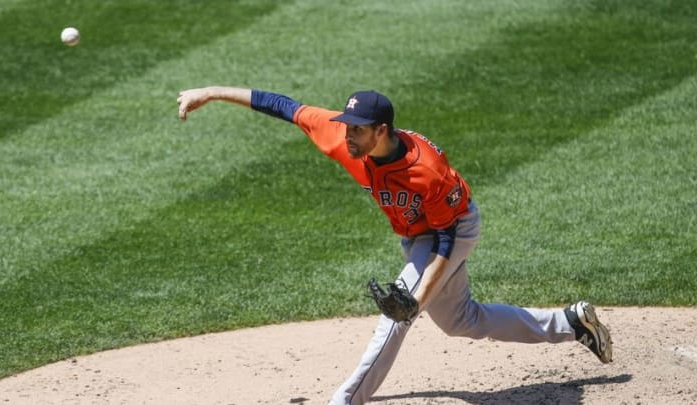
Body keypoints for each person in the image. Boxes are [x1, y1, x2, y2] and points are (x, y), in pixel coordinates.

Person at [177, 86, 613, 405]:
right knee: (463, 320)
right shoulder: (343, 137)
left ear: (381, 130)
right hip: (417, 234)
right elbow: (283, 106)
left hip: (452, 229)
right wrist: (211, 92)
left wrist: (415, 300)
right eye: (347, 126)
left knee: (397, 315)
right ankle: (571, 323)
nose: (346, 136)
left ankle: (345, 400)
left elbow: (445, 240)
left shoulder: (426, 170)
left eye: (358, 130)